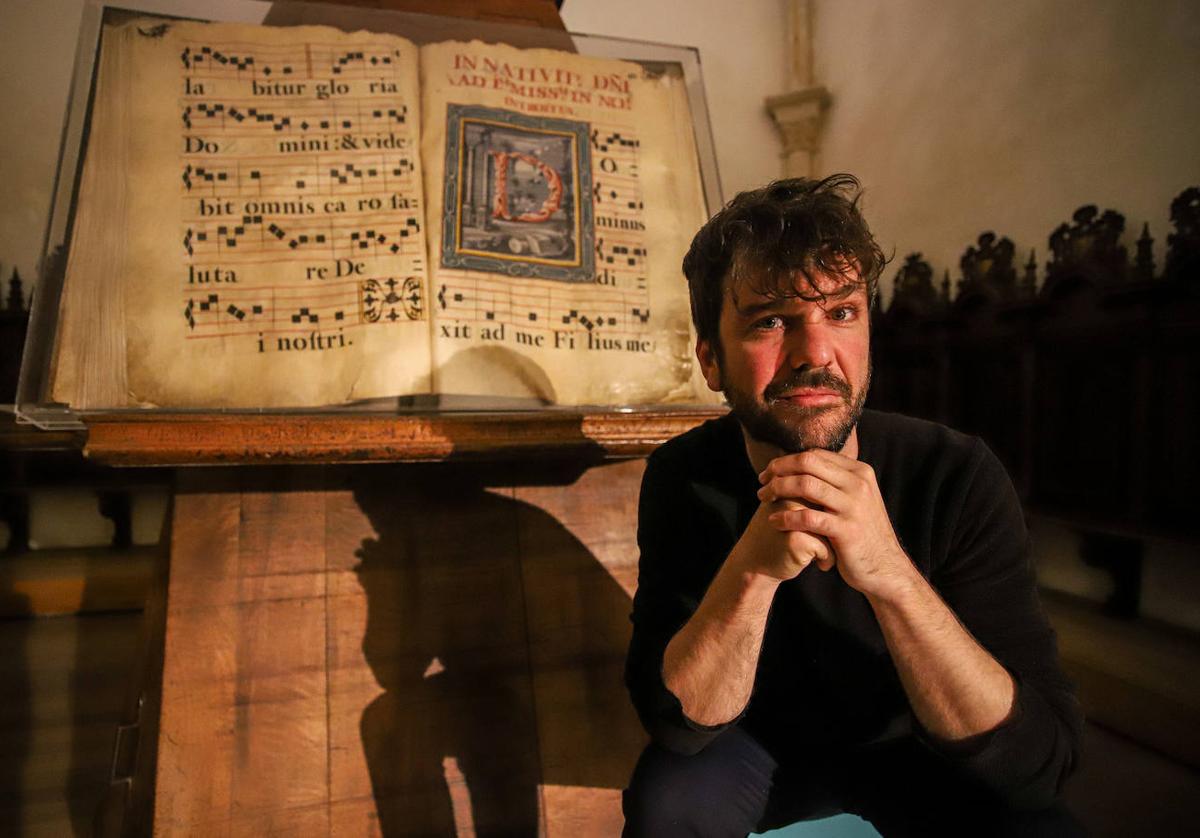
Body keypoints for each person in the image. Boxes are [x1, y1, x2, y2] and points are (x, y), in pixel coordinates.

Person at [622, 175, 1083, 837]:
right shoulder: (683, 476)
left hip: (917, 745)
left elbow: (1039, 763)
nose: (816, 354)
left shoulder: (953, 472)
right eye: (770, 321)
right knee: (669, 806)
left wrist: (890, 575)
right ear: (711, 360)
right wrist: (752, 569)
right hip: (753, 749)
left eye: (841, 313)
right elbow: (678, 724)